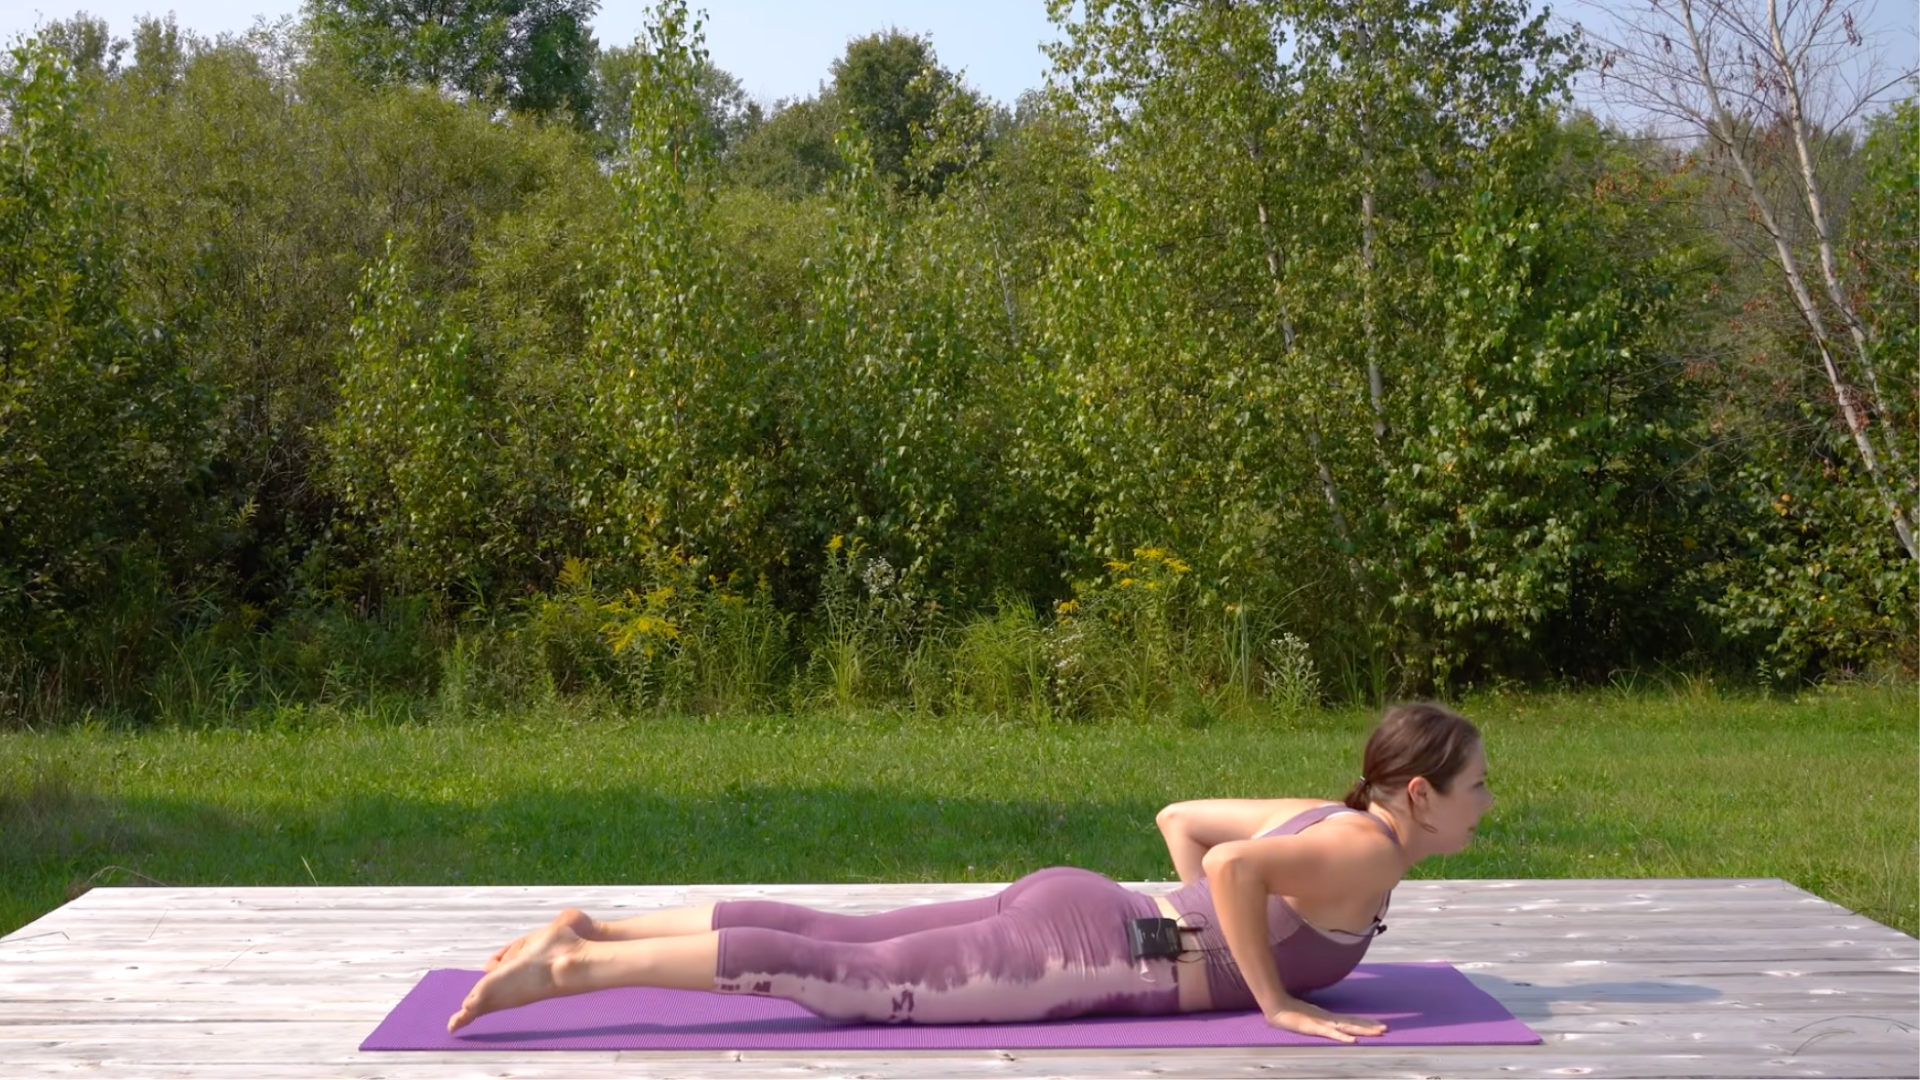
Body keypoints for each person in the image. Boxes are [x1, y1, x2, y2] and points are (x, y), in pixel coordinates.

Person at [447, 701, 1493, 1044]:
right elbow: (1230, 870)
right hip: (1079, 951)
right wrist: (1271, 1001)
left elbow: (1188, 824)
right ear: (1415, 795)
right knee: (852, 982)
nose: (1487, 802)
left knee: (844, 937)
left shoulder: (1335, 815)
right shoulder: (1362, 849)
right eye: (1475, 786)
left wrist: (1175, 921)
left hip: (1086, 908)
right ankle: (573, 972)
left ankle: (596, 932)